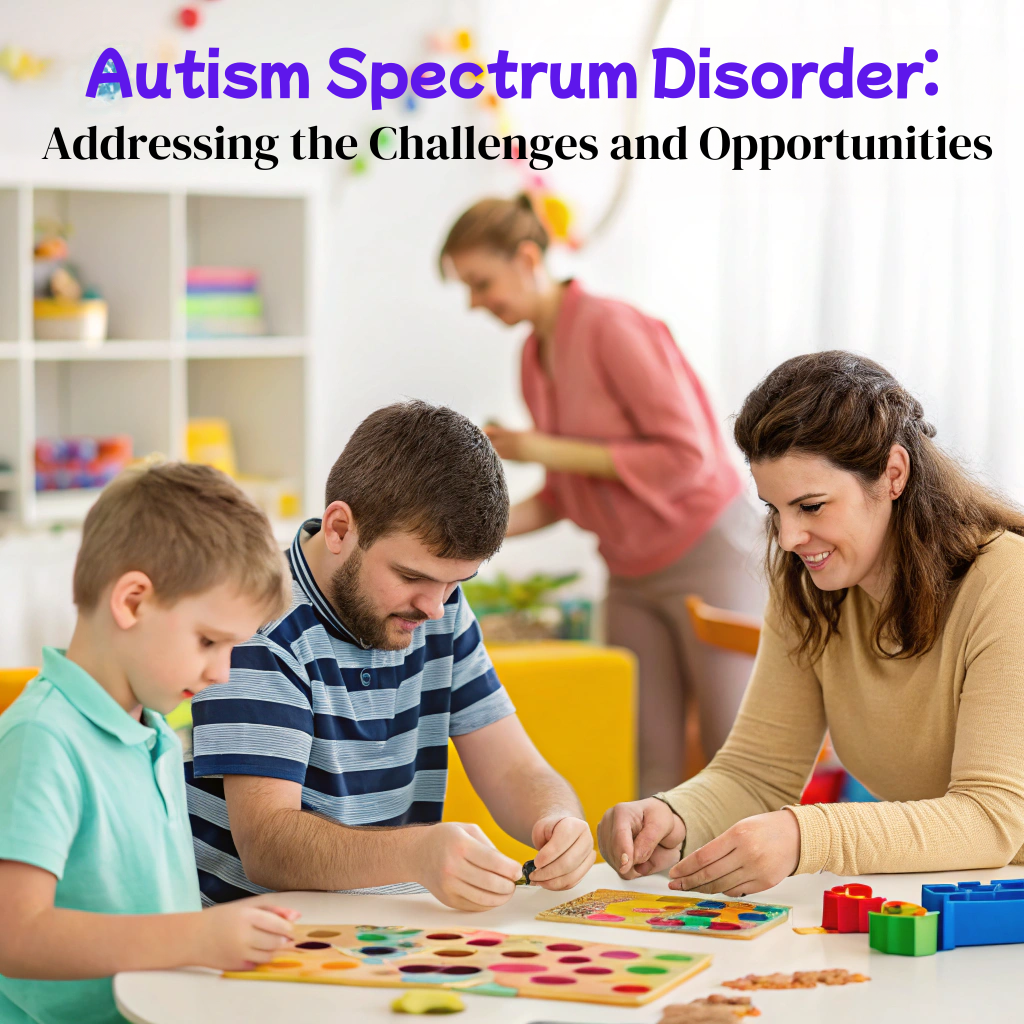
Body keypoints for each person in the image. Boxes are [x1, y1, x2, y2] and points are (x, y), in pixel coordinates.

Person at [598, 351, 1024, 895]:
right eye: (775, 510)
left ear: (893, 474)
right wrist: (672, 816)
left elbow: (990, 821)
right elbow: (755, 773)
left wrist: (805, 835)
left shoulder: (1007, 583)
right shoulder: (810, 589)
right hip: (965, 899)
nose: (789, 537)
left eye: (812, 506)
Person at [186, 400, 595, 912]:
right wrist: (416, 853)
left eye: (455, 582)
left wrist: (558, 819)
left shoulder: (438, 606)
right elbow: (268, 847)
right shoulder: (254, 626)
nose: (434, 606)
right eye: (412, 576)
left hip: (382, 929)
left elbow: (514, 769)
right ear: (339, 529)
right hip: (262, 942)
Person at [439, 195, 766, 796]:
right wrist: (462, 528)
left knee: (733, 749)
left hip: (704, 549)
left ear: (529, 258)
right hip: (628, 570)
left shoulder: (611, 326)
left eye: (481, 282)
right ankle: (654, 888)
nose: (476, 302)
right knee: (645, 759)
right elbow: (567, 495)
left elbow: (684, 456)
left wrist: (540, 447)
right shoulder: (533, 358)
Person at [0, 462, 298, 1024]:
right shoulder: (43, 739)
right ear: (132, 601)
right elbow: (15, 933)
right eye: (209, 640)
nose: (224, 672)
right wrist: (195, 938)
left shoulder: (155, 736)